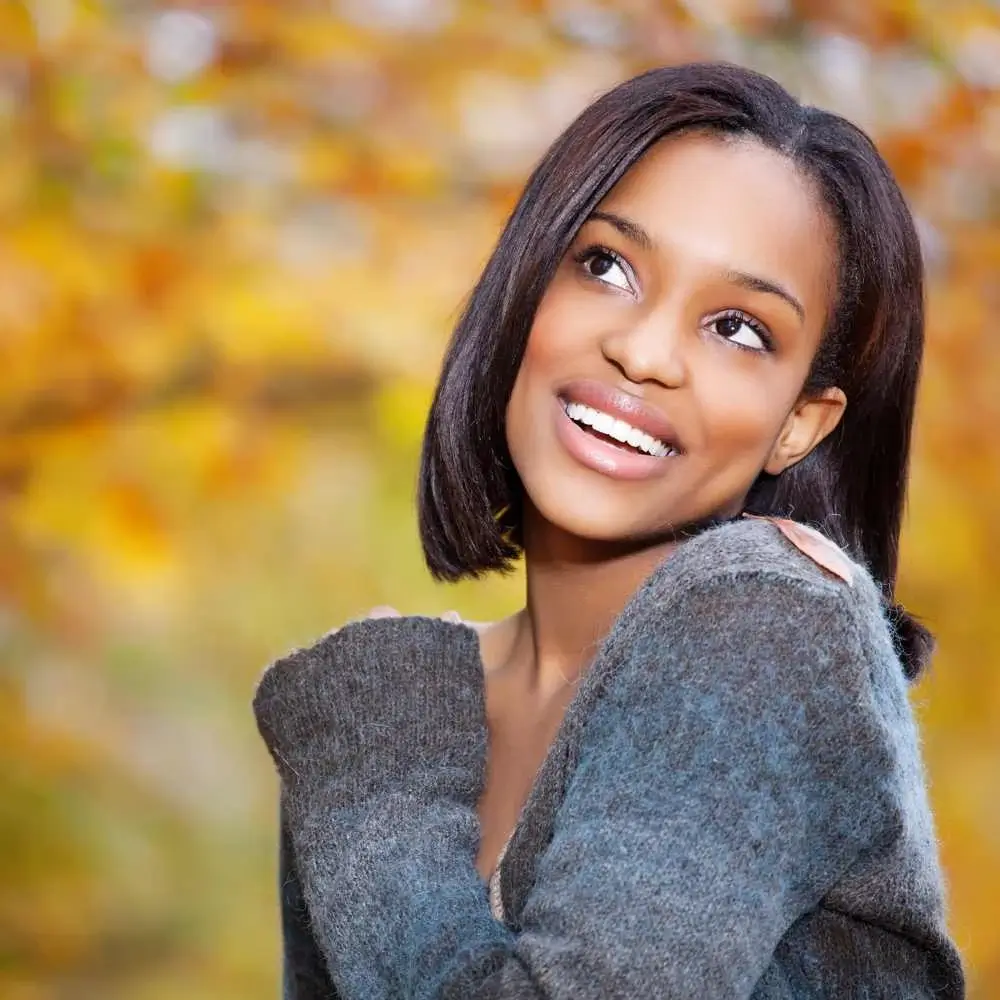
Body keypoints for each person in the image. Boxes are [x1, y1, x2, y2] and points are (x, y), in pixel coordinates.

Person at [252, 62, 966, 998]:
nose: (643, 351)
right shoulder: (401, 709)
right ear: (527, 287)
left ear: (800, 423)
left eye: (738, 328)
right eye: (607, 267)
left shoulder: (764, 626)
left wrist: (371, 782)